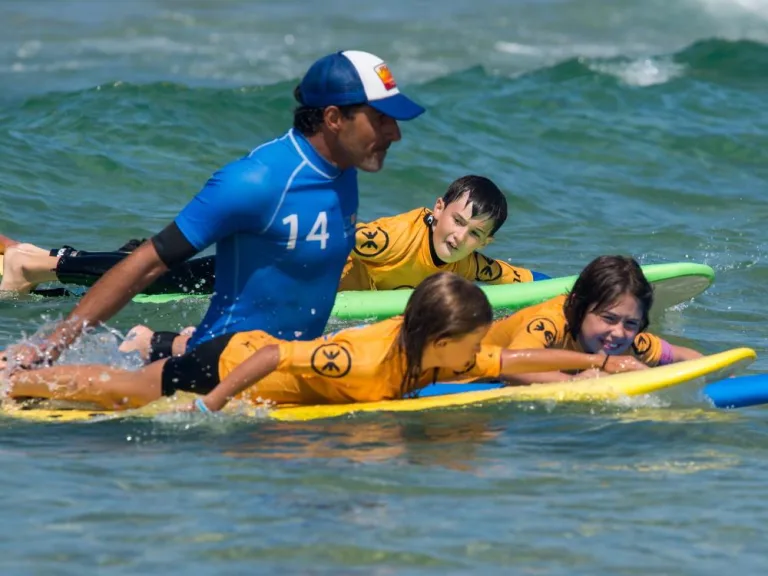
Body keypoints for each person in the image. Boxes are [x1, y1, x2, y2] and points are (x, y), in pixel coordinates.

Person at [1, 49, 425, 370]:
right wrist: (52, 345)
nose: (395, 134)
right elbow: (147, 262)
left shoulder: (344, 169)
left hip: (286, 363)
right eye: (381, 119)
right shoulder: (257, 181)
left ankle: (153, 346)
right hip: (221, 370)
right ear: (334, 118)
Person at [3, 173, 550, 361]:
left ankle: (39, 283)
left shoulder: (473, 266)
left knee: (151, 286)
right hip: (273, 268)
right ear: (438, 209)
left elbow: (532, 282)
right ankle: (40, 263)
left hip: (291, 290)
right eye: (457, 221)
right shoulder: (390, 238)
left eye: (476, 234)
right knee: (154, 272)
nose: (460, 237)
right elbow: (330, 236)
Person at [4, 273, 647, 412]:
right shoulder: (362, 358)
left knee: (128, 384)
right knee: (123, 392)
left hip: (265, 377)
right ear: (440, 337)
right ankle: (16, 378)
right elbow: (276, 356)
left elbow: (514, 359)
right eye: (472, 338)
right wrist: (213, 403)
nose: (482, 347)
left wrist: (596, 362)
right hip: (227, 363)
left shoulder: (444, 350)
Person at [440, 255, 702, 385]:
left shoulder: (628, 341)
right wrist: (574, 382)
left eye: (630, 323)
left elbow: (680, 356)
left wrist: (725, 375)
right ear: (579, 304)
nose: (618, 332)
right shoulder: (549, 324)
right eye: (608, 318)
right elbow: (508, 365)